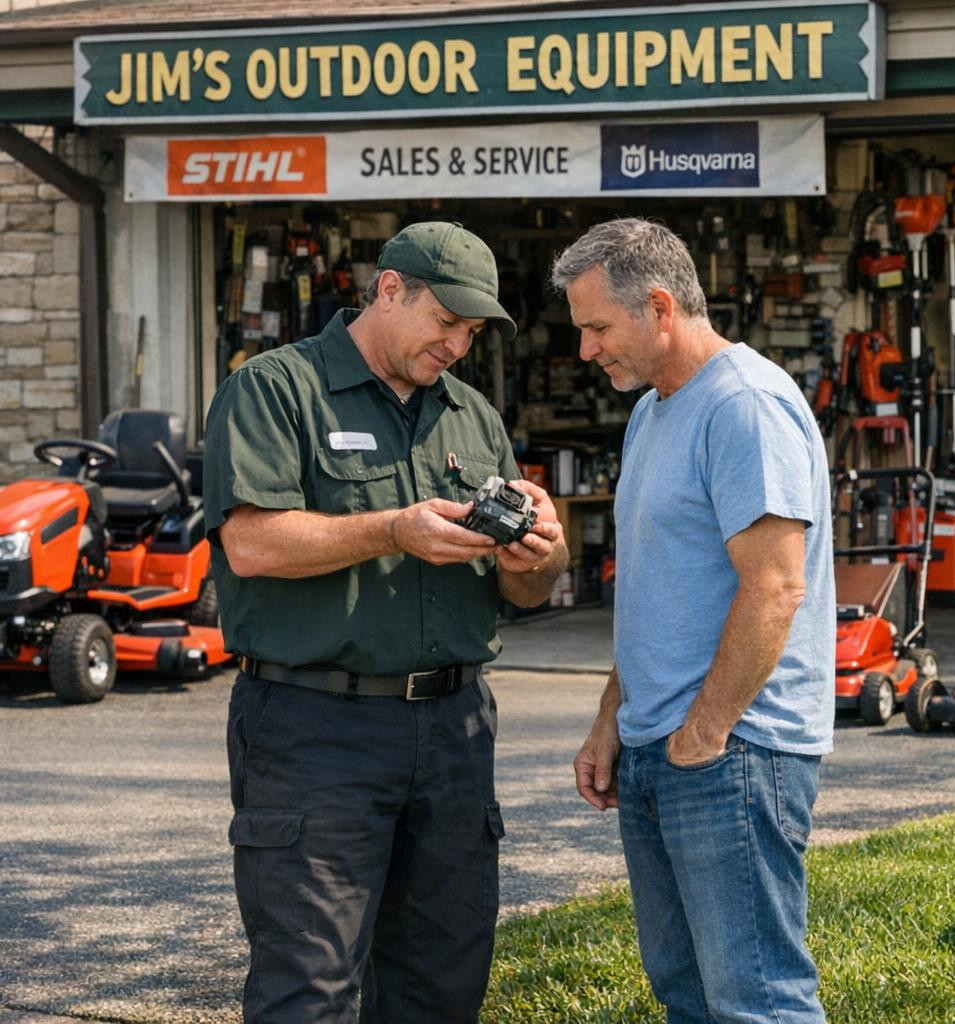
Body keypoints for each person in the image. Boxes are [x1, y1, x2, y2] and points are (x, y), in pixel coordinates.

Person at [203, 221, 569, 1023]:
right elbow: (252, 544)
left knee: (442, 981)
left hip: (455, 730)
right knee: (310, 985)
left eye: (472, 332)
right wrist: (391, 528)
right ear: (390, 289)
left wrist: (539, 554)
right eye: (447, 322)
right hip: (315, 729)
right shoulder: (274, 389)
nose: (458, 346)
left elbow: (531, 594)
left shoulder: (472, 417)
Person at [557, 218, 834, 1024]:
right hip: (663, 747)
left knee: (758, 1001)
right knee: (687, 998)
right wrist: (613, 719)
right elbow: (659, 588)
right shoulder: (654, 412)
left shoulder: (743, 405)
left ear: (659, 306)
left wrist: (705, 733)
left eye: (598, 328)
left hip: (732, 751)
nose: (588, 350)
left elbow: (777, 588)